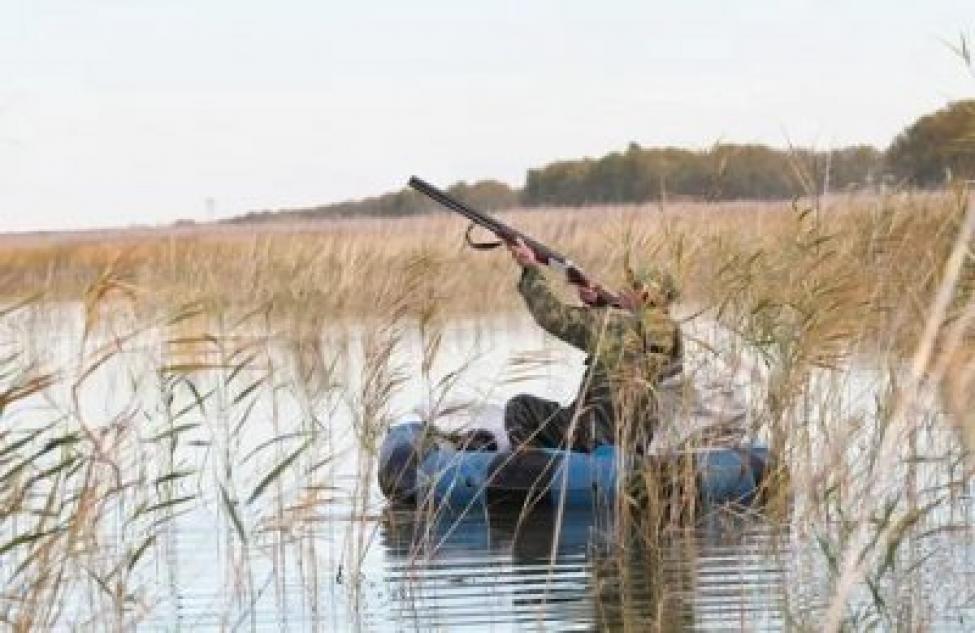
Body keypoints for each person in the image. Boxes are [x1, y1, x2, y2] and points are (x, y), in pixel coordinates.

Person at [504, 238, 683, 452]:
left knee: (520, 409)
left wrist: (530, 268)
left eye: (633, 285)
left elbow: (551, 316)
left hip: (594, 433)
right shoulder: (673, 333)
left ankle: (535, 473)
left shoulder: (610, 322)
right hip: (637, 437)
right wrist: (600, 304)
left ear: (646, 295)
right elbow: (635, 341)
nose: (623, 289)